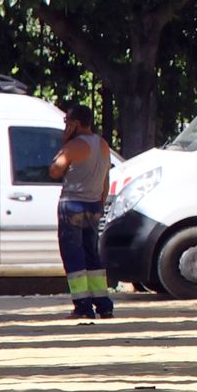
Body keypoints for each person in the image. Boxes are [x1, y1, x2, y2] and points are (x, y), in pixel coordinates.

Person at [48, 104, 114, 321]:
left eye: (67, 122)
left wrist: (65, 143)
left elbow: (54, 171)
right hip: (94, 206)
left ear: (76, 124)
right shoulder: (103, 144)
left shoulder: (73, 146)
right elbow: (106, 178)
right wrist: (101, 202)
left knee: (73, 256)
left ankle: (83, 306)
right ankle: (103, 304)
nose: (65, 126)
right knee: (92, 255)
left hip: (72, 206)